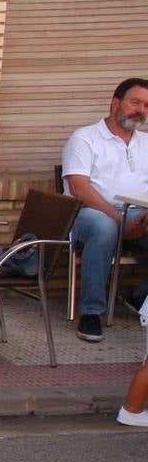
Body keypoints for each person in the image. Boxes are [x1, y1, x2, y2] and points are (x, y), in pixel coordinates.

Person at [62, 77, 148, 343]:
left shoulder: (146, 142)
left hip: (139, 212)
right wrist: (118, 219)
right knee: (104, 228)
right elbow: (78, 187)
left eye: (147, 106)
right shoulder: (85, 138)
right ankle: (91, 312)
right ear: (115, 103)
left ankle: (141, 296)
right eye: (135, 102)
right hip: (91, 211)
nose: (141, 111)